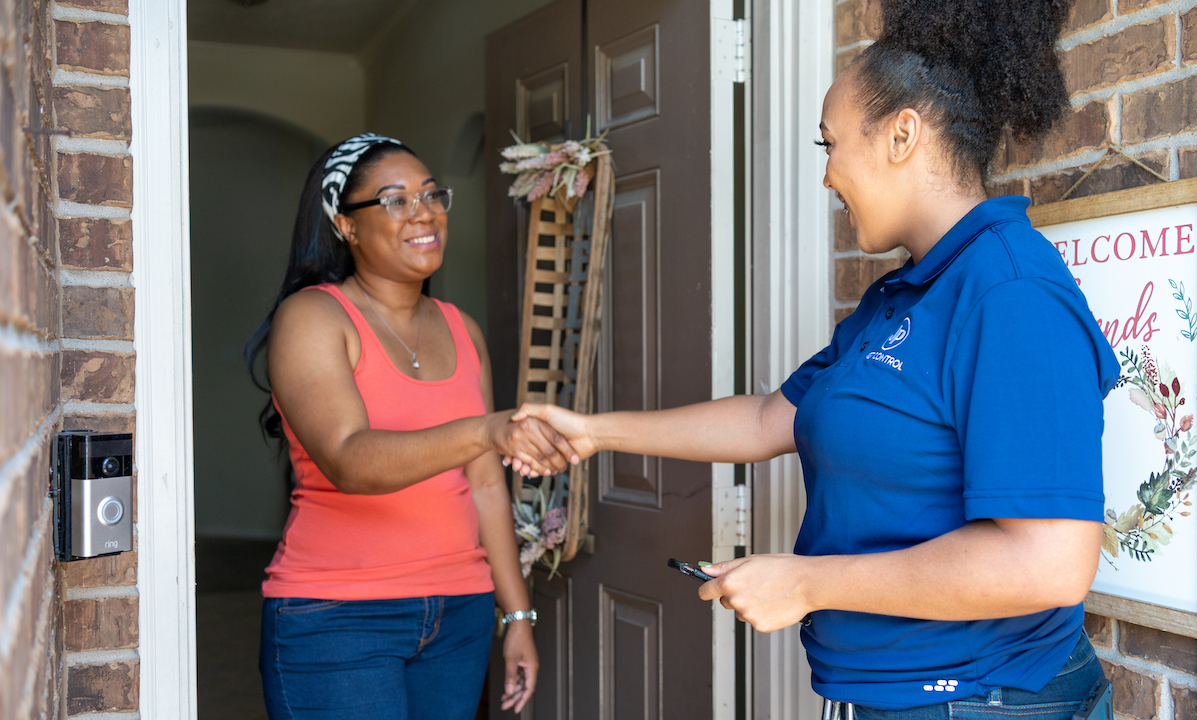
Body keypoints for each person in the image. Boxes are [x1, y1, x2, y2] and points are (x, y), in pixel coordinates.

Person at [511, 0, 1121, 716]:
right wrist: (596, 433)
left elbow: (1049, 564)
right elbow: (773, 417)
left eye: (829, 143)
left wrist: (807, 583)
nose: (827, 176)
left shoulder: (1010, 294)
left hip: (984, 699)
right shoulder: (905, 294)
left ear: (902, 135)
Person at [245, 133, 576, 720]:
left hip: (460, 614)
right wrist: (485, 431)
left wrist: (517, 616)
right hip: (338, 616)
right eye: (395, 200)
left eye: (431, 195)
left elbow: (485, 486)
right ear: (346, 225)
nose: (423, 213)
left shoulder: (461, 329)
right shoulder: (314, 318)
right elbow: (350, 460)